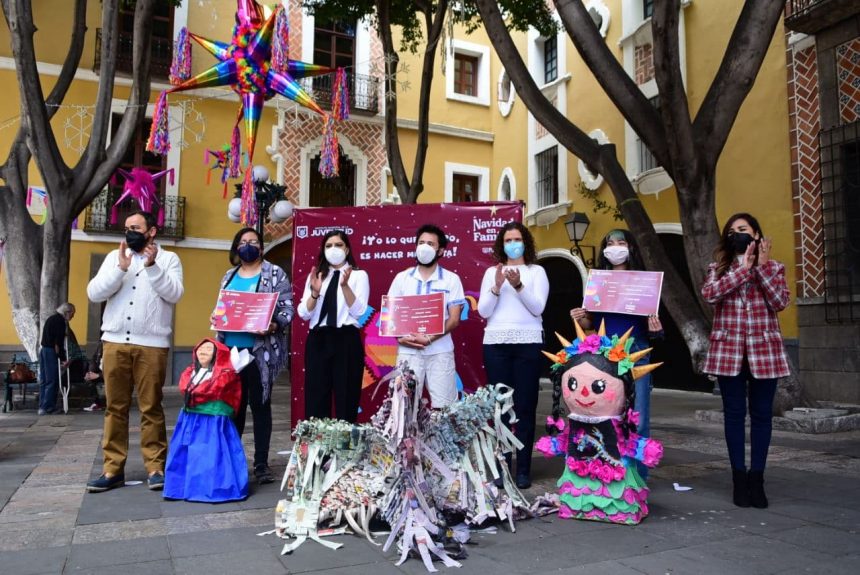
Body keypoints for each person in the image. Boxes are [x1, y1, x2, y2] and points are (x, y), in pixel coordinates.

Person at [86, 210, 184, 492]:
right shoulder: (113, 258)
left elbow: (175, 294)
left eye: (136, 227)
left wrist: (153, 267)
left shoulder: (169, 259)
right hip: (115, 342)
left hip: (152, 345)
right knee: (114, 408)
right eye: (127, 227)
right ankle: (111, 469)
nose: (130, 232)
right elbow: (94, 293)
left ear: (151, 231)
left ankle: (155, 467)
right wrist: (120, 268)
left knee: (150, 407)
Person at [701, 213, 790, 509]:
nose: (737, 234)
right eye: (732, 231)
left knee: (763, 416)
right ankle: (739, 479)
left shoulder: (775, 268)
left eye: (743, 229)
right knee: (734, 415)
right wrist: (743, 270)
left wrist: (761, 269)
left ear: (756, 234)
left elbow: (779, 302)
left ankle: (757, 479)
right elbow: (711, 295)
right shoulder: (719, 269)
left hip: (764, 352)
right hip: (729, 352)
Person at [535, 320, 663, 525]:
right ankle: (581, 507)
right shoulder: (576, 420)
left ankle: (616, 510)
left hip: (612, 462)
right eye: (573, 384)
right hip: (580, 462)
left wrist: (645, 449)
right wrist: (553, 444)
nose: (584, 393)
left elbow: (627, 442)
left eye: (598, 386)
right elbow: (566, 439)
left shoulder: (618, 422)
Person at [569, 229, 663, 479]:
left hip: (636, 357)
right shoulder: (598, 282)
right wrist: (581, 317)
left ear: (631, 248)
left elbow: (653, 326)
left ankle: (638, 479)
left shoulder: (645, 283)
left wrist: (656, 330)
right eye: (610, 243)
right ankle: (608, 472)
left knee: (638, 420)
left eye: (621, 242)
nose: (615, 247)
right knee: (606, 416)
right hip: (604, 359)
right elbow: (590, 323)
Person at [215, 227, 293, 485]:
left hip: (260, 353)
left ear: (261, 247)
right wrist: (216, 318)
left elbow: (287, 307)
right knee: (233, 408)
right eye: (244, 241)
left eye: (254, 241)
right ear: (237, 246)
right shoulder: (229, 275)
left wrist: (273, 325)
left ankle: (261, 463)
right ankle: (235, 460)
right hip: (231, 352)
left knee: (260, 407)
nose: (249, 245)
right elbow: (222, 306)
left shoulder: (274, 273)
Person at [477, 222, 548, 489]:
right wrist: (496, 287)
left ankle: (524, 469)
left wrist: (519, 286)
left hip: (528, 343)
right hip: (496, 345)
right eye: (508, 239)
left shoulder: (537, 272)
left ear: (525, 242)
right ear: (501, 244)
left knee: (526, 408)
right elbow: (484, 312)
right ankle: (502, 465)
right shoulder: (490, 272)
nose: (513, 243)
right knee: (500, 409)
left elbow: (537, 307)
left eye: (517, 239)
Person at [387, 224, 465, 408]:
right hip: (408, 352)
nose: (424, 247)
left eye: (430, 243)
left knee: (444, 407)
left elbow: (454, 319)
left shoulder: (451, 279)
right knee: (404, 406)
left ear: (441, 250)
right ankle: (406, 439)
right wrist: (399, 337)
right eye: (421, 242)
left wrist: (429, 338)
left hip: (440, 352)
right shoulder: (402, 278)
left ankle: (440, 439)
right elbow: (390, 316)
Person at [297, 230, 370, 423]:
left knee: (346, 396)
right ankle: (319, 448)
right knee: (316, 396)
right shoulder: (317, 276)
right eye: (329, 246)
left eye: (338, 245)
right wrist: (314, 293)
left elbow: (359, 313)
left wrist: (345, 286)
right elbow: (304, 313)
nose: (333, 249)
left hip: (346, 338)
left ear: (347, 249)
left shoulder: (359, 275)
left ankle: (345, 450)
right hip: (318, 338)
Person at [164, 339, 249, 503]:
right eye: (200, 348)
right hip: (190, 418)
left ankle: (212, 488)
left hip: (213, 422)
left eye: (209, 349)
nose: (203, 352)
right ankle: (183, 487)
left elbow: (215, 388)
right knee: (188, 453)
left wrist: (197, 391)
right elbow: (185, 387)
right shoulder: (190, 372)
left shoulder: (224, 374)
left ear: (217, 354)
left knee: (211, 454)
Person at [38, 303, 75, 415]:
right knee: (53, 379)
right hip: (50, 351)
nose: (73, 316)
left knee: (45, 380)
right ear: (66, 312)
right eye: (72, 313)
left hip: (43, 350)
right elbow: (57, 343)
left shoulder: (51, 319)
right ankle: (48, 407)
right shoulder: (60, 322)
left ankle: (42, 406)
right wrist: (63, 358)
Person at [83, 341, 105, 411]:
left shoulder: (115, 347)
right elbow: (93, 360)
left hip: (111, 375)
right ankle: (97, 404)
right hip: (101, 371)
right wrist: (90, 372)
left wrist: (99, 375)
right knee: (89, 380)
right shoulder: (101, 345)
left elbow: (115, 370)